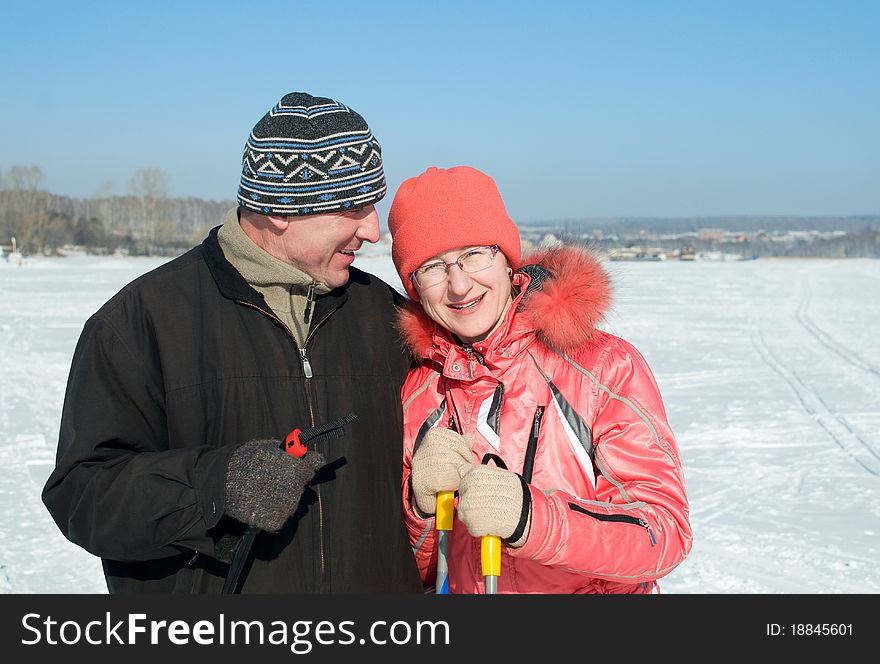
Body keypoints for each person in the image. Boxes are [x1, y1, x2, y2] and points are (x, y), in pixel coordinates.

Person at [42, 92, 423, 594]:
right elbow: (84, 496)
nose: (373, 230)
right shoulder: (141, 322)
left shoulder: (386, 317)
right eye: (354, 206)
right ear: (284, 210)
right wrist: (215, 486)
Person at [388, 166, 692, 593]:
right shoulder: (420, 391)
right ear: (415, 286)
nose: (458, 284)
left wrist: (531, 519)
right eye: (432, 267)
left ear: (506, 257)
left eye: (474, 254)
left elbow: (663, 533)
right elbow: (419, 571)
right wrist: (421, 507)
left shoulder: (602, 366)